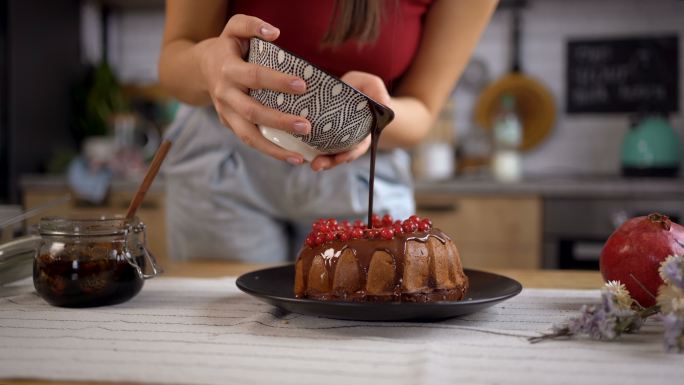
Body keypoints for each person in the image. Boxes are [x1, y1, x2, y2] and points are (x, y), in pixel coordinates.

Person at [159, 0, 497, 262]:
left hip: (359, 172)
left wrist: (370, 114)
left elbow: (422, 110)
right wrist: (208, 63)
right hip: (224, 162)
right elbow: (174, 61)